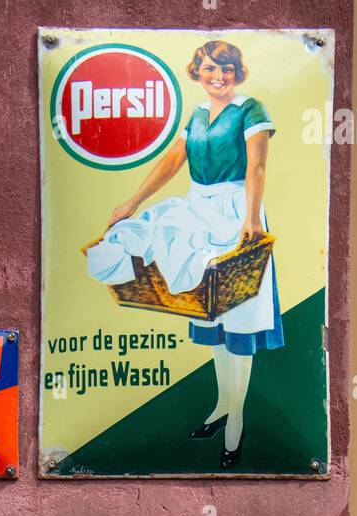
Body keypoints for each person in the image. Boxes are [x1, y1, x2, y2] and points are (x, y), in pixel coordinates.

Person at [86, 38, 284, 468]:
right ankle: (220, 405)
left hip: (236, 209)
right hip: (198, 207)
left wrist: (251, 218)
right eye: (210, 68)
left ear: (237, 72)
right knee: (209, 310)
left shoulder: (251, 110)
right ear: (197, 73)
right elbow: (173, 161)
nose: (218, 76)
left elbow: (257, 166)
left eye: (226, 68)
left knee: (239, 321)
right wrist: (133, 201)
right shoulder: (194, 117)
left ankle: (237, 422)